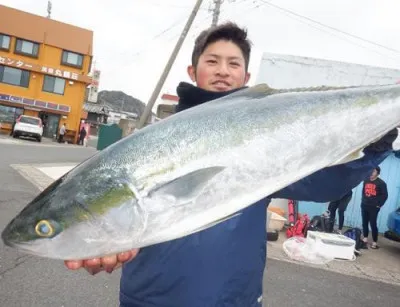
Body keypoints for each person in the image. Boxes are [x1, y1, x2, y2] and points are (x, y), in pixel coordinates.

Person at [64, 22, 398, 307]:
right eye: (213, 60)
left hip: (234, 299)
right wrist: (100, 241)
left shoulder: (268, 140)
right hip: (153, 298)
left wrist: (376, 144)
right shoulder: (151, 142)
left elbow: (327, 184)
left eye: (233, 64)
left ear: (246, 77)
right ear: (193, 72)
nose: (223, 70)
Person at [361, 166, 388, 249]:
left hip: (374, 207)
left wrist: (379, 205)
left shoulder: (381, 183)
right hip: (365, 205)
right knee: (364, 222)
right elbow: (363, 191)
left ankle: (374, 242)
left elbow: (385, 195)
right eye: (371, 170)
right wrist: (363, 201)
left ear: (377, 173)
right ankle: (365, 239)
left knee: (373, 224)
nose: (371, 173)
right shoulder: (366, 180)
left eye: (374, 171)